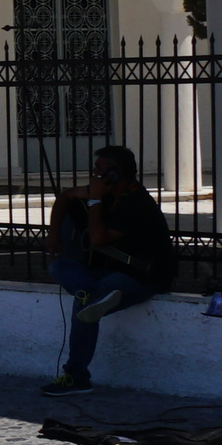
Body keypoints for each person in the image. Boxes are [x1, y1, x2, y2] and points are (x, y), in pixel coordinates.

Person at [40, 145, 177, 394]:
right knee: (61, 267)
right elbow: (65, 197)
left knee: (84, 306)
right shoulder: (108, 192)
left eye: (99, 168)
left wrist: (95, 199)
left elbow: (97, 239)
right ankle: (93, 295)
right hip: (110, 273)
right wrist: (53, 233)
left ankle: (76, 376)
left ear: (114, 173)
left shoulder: (136, 203)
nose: (93, 172)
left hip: (143, 276)